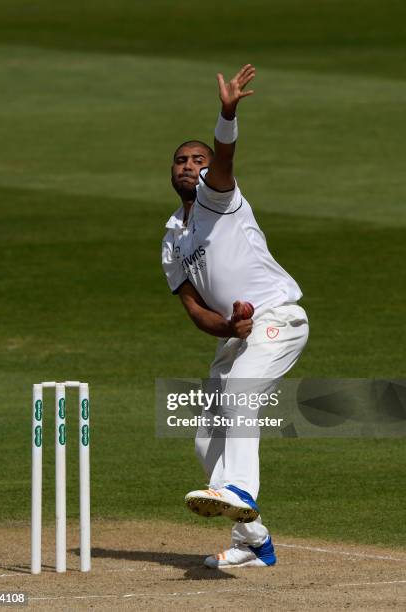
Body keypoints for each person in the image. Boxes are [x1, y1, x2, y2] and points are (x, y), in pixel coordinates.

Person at [162, 64, 309, 568]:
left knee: (241, 391)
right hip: (240, 334)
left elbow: (224, 158)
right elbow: (195, 310)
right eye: (181, 160)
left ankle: (241, 486)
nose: (189, 165)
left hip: (278, 318)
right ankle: (253, 540)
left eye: (196, 159)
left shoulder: (217, 197)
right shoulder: (172, 238)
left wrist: (227, 114)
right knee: (207, 441)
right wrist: (229, 326)